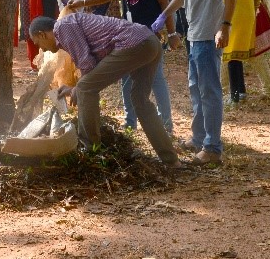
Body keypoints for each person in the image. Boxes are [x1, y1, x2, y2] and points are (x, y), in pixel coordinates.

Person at [28, 14, 178, 167]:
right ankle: (171, 160)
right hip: (150, 41)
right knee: (140, 100)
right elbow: (92, 68)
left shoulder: (62, 27)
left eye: (38, 43)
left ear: (42, 34)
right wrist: (76, 88)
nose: (42, 49)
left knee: (85, 88)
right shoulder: (69, 24)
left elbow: (87, 65)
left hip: (134, 43)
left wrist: (79, 89)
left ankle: (90, 151)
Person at [69, 0, 174, 136]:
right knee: (126, 78)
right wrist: (82, 2)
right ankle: (130, 122)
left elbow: (165, 3)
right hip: (127, 36)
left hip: (149, 35)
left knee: (155, 78)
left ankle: (166, 124)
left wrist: (171, 33)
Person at [154, 0, 237, 166]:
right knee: (195, 88)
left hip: (208, 33)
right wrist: (164, 14)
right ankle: (199, 137)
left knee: (209, 90)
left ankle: (213, 148)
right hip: (193, 32)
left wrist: (225, 26)